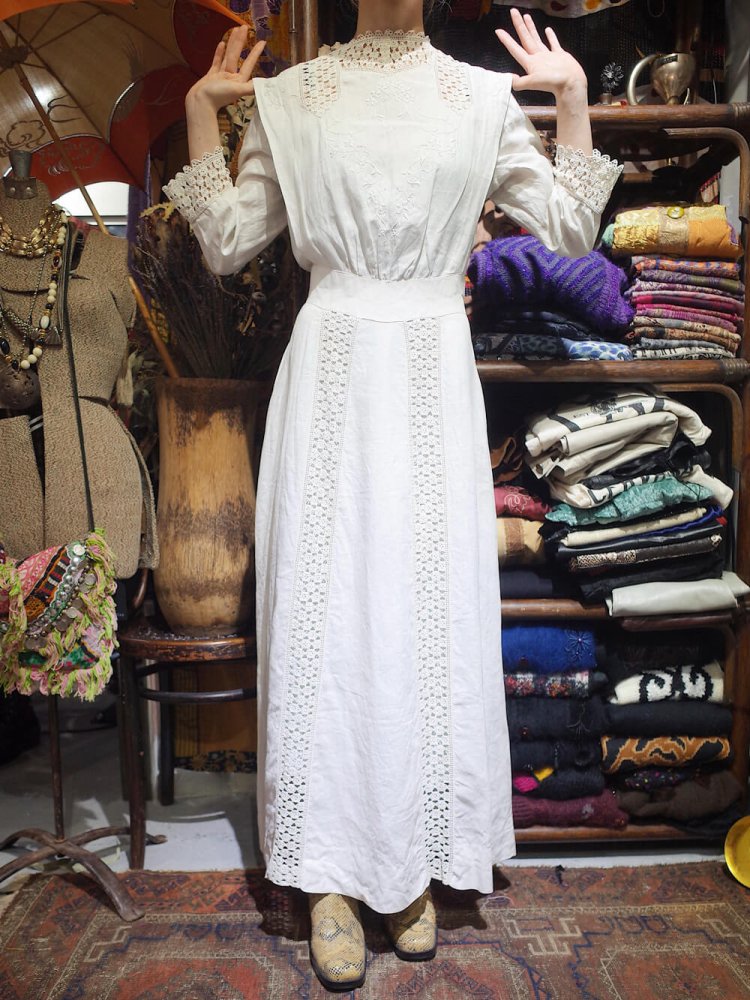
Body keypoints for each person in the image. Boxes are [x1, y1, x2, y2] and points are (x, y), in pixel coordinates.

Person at [164, 2, 622, 990]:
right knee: (326, 624)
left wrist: (575, 101)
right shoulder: (293, 98)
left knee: (424, 620)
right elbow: (229, 241)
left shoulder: (479, 97)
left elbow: (572, 228)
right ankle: (328, 875)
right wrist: (206, 113)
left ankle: (409, 864)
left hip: (427, 374)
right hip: (329, 374)